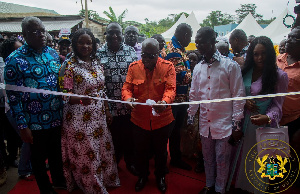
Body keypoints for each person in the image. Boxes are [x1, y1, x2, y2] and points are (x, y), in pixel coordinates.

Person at [4, 16, 65, 194]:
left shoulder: (52, 54)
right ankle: (46, 189)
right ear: (24, 35)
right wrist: (23, 126)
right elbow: (13, 98)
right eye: (35, 32)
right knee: (38, 159)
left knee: (56, 154)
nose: (41, 35)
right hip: (34, 121)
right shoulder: (14, 60)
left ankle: (59, 180)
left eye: (43, 30)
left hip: (56, 116)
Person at [60, 28, 120, 194]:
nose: (85, 45)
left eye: (89, 42)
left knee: (102, 149)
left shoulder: (97, 62)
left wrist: (107, 110)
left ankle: (105, 180)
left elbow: (103, 90)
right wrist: (79, 99)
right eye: (81, 42)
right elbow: (63, 95)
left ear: (93, 45)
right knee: (87, 153)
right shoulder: (69, 66)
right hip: (79, 118)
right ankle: (92, 187)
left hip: (99, 116)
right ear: (75, 44)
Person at [188, 27, 246, 194]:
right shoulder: (198, 67)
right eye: (197, 42)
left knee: (222, 159)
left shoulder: (230, 66)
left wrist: (236, 125)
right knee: (207, 158)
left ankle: (220, 190)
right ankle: (209, 185)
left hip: (224, 124)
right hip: (206, 123)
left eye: (202, 42)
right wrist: (191, 118)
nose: (198, 45)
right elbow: (194, 94)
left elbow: (238, 95)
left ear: (213, 41)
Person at [234, 36, 288, 193]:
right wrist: (244, 101)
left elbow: (278, 105)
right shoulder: (244, 71)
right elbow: (235, 93)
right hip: (241, 122)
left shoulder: (279, 76)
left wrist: (268, 117)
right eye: (256, 54)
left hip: (263, 126)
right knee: (240, 161)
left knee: (260, 163)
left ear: (270, 54)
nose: (259, 58)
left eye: (263, 53)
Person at [122, 38, 176, 192]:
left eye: (151, 56)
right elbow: (126, 87)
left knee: (161, 152)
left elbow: (171, 89)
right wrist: (128, 98)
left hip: (162, 119)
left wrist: (164, 102)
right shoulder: (134, 67)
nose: (146, 59)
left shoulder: (168, 67)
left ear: (158, 54)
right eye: (144, 55)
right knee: (140, 151)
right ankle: (142, 176)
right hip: (139, 119)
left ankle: (160, 176)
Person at [97, 22, 138, 176]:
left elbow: (136, 77)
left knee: (129, 136)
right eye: (111, 33)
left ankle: (130, 162)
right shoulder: (99, 54)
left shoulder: (131, 52)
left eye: (117, 33)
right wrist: (106, 107)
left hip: (128, 104)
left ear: (122, 35)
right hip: (109, 105)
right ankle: (112, 164)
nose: (114, 36)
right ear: (105, 35)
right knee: (112, 138)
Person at [0, 37, 34, 180]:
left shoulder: (22, 65)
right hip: (14, 110)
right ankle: (24, 169)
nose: (22, 51)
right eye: (18, 49)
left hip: (25, 109)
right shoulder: (6, 69)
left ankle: (29, 165)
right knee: (28, 139)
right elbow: (10, 95)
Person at [164, 23, 193, 171]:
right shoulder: (173, 50)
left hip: (181, 98)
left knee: (176, 131)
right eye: (190, 36)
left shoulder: (180, 48)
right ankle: (162, 162)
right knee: (168, 132)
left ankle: (175, 158)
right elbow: (182, 77)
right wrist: (195, 72)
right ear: (184, 35)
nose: (191, 39)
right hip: (173, 100)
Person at [277, 27, 300, 139]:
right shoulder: (276, 60)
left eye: (293, 38)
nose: (288, 40)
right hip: (271, 117)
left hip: (293, 121)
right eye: (288, 37)